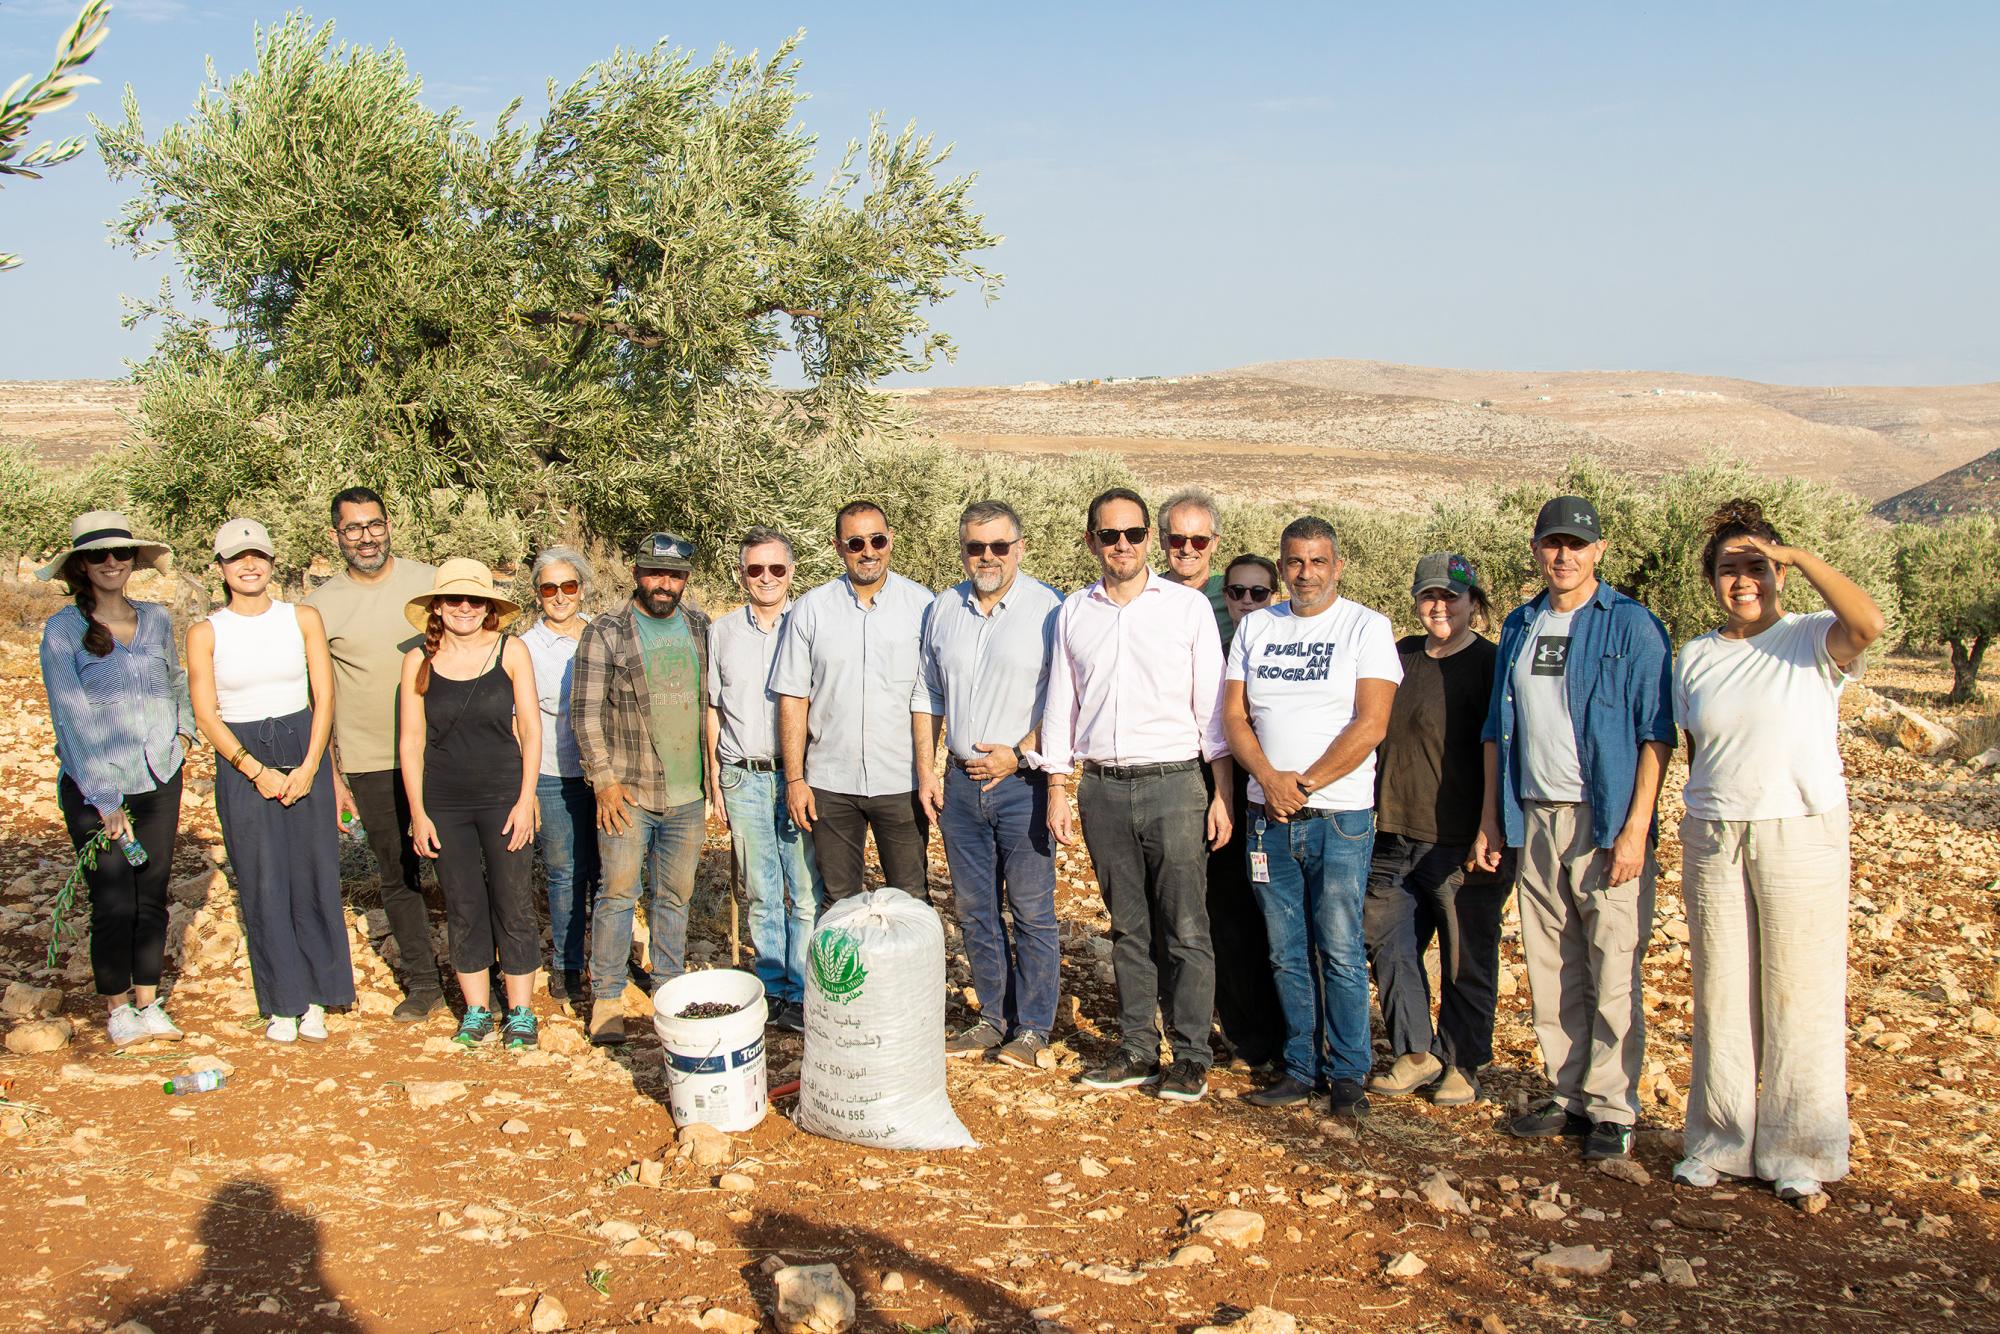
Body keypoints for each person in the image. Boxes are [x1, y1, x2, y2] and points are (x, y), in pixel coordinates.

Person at [1670, 500, 1883, 1208]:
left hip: (1799, 828)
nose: (1744, 580)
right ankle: (1718, 1141)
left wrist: (1803, 558)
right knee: (1723, 992)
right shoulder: (1696, 656)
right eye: (1730, 569)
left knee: (1800, 990)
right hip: (1716, 833)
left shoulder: (1810, 639)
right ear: (1712, 581)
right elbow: (1699, 748)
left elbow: (1869, 625)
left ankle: (1801, 1149)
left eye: (1757, 566)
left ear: (1779, 574)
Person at [1472, 495, 1674, 1162]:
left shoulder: (1632, 626)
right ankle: (1568, 1095)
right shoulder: (1523, 624)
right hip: (1533, 813)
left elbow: (1655, 733)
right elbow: (1497, 731)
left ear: (1599, 552)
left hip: (1604, 817)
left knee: (1612, 963)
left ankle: (1613, 1108)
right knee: (1552, 963)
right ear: (1535, 549)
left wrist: (1636, 828)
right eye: (1552, 543)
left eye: (1576, 545)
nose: (1563, 556)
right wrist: (1490, 820)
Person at [1043, 487, 1233, 1103]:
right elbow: (1061, 703)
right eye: (1108, 535)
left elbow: (1213, 714)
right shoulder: (1075, 611)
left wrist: (1221, 793)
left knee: (1185, 925)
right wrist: (1057, 786)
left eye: (1132, 534)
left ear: (1148, 538)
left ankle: (1191, 1055)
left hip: (1176, 783)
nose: (1120, 545)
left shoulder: (1187, 609)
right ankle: (1136, 1050)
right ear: (1090, 540)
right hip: (1102, 787)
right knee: (1127, 928)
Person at [1222, 517, 1401, 1117]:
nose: (1306, 574)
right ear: (1282, 567)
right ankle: (1301, 1067)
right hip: (1266, 817)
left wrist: (1304, 783)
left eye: (1318, 561)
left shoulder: (1366, 627)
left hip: (1339, 816)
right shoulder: (1255, 628)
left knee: (1342, 949)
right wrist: (1269, 781)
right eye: (1295, 562)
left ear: (1337, 566)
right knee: (1284, 949)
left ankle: (1349, 1072)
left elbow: (1371, 723)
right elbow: (1235, 718)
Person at [187, 519, 354, 1043]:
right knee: (263, 881)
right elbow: (206, 713)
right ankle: (284, 1001)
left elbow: (323, 696)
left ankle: (321, 995)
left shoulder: (301, 618)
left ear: (272, 561)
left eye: (257, 554)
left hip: (303, 744)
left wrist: (310, 768)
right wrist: (255, 770)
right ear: (220, 568)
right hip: (243, 760)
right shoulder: (206, 631)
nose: (249, 565)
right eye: (236, 558)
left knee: (313, 873)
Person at [913, 501, 1064, 1068]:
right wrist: (926, 767)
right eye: (977, 547)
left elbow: (1067, 700)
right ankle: (992, 1018)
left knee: (1031, 910)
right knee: (975, 908)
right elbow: (925, 692)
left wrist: (1020, 754)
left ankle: (1032, 1028)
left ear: (1019, 548)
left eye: (1000, 546)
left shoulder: (1051, 609)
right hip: (957, 786)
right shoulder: (943, 609)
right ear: (964, 549)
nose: (989, 557)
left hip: (1021, 785)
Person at [1364, 553, 1515, 1105]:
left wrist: (1490, 827)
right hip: (1392, 832)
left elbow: (1503, 750)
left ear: (1474, 602)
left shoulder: (1492, 664)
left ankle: (1463, 1061)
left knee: (1464, 954)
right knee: (1391, 946)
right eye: (1429, 595)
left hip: (1462, 840)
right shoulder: (1399, 656)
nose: (1439, 606)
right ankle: (1415, 1052)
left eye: (1451, 596)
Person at [37, 511, 192, 1048]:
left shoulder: (155, 620)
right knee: (113, 899)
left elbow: (176, 680)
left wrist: (185, 737)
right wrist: (104, 798)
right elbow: (70, 716)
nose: (111, 563)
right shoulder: (64, 630)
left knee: (152, 892)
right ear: (81, 564)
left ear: (133, 562)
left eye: (121, 554)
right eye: (99, 555)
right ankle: (118, 1009)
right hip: (94, 786)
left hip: (158, 775)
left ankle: (149, 1003)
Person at [304, 487, 444, 1021]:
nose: (366, 537)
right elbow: (319, 694)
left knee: (459, 869)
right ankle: (425, 983)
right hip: (370, 758)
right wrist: (333, 774)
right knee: (398, 872)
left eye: (374, 524)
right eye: (353, 528)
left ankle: (483, 977)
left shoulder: (429, 583)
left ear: (390, 525)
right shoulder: (320, 607)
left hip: (439, 754)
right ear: (337, 535)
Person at [571, 533, 712, 1045]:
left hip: (687, 795)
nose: (663, 584)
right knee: (617, 894)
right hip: (627, 794)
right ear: (636, 573)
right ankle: (607, 996)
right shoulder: (606, 633)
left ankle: (668, 988)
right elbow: (583, 716)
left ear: (685, 580)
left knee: (675, 896)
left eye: (673, 576)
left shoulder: (699, 627)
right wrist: (604, 782)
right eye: (654, 573)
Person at [397, 560, 542, 1049]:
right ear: (437, 606)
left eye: (475, 600)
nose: (464, 608)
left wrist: (527, 799)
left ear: (489, 608)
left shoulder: (511, 651)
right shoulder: (417, 659)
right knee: (461, 902)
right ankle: (478, 1009)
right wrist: (418, 812)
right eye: (454, 600)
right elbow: (411, 741)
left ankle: (520, 1010)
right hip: (444, 801)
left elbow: (531, 729)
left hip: (504, 795)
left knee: (513, 899)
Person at [772, 502, 934, 901]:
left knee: (911, 898)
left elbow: (932, 695)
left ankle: (911, 967)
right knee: (839, 900)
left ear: (890, 540)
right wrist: (795, 779)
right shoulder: (810, 610)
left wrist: (928, 773)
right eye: (856, 542)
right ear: (837, 547)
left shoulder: (924, 607)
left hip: (900, 781)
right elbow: (794, 697)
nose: (869, 550)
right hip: (830, 783)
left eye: (877, 539)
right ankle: (845, 967)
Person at [705, 527, 821, 1034]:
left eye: (776, 568)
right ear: (742, 574)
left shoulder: (811, 623)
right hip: (743, 775)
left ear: (791, 572)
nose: (767, 578)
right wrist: (714, 775)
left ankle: (802, 989)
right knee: (760, 889)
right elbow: (714, 707)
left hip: (798, 777)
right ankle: (772, 989)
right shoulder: (722, 631)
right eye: (756, 569)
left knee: (804, 888)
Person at [1206, 554, 1286, 1072]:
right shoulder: (1214, 652)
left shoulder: (1280, 648)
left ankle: (1289, 1037)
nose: (1247, 603)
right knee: (1228, 920)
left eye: (1259, 594)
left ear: (1273, 596)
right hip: (1222, 801)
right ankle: (1247, 1037)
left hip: (1273, 802)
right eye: (1238, 593)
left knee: (1275, 925)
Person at [521, 547, 598, 1014]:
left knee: (611, 874)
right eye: (550, 588)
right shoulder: (525, 648)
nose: (560, 596)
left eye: (568, 586)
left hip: (605, 775)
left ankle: (609, 960)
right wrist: (524, 786)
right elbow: (518, 721)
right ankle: (568, 964)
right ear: (537, 595)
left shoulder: (602, 634)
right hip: (554, 773)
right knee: (565, 871)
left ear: (581, 589)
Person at [1159, 487, 1233, 645]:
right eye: (1177, 539)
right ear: (1162, 540)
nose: (1186, 549)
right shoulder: (1146, 594)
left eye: (1199, 540)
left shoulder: (1235, 593)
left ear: (1215, 543)